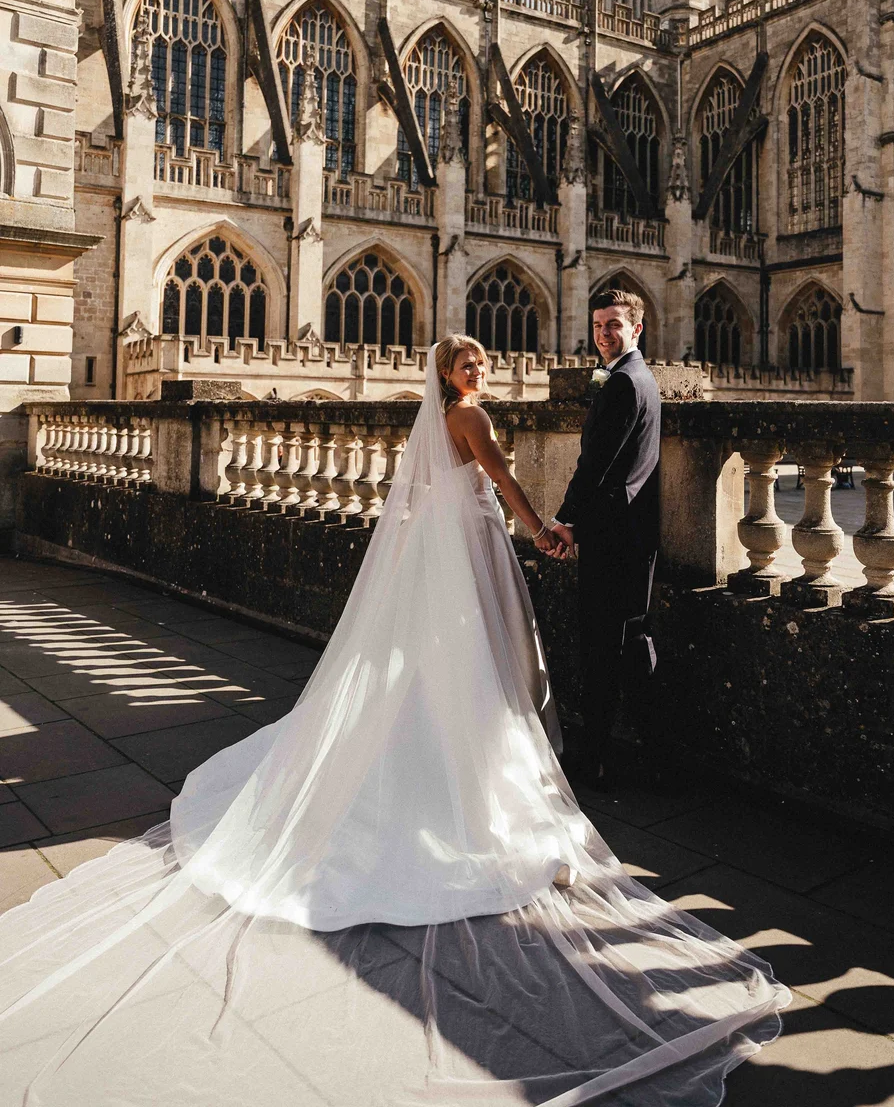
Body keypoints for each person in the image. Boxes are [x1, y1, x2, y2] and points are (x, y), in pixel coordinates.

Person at [0, 337, 788, 1106]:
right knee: (481, 663)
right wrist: (542, 530)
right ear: (446, 374)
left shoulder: (443, 419)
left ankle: (433, 761)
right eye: (466, 362)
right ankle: (465, 784)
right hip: (475, 543)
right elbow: (502, 484)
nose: (478, 368)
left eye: (481, 359)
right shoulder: (471, 420)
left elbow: (415, 499)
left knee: (443, 667)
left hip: (449, 546)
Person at [550, 289, 660, 790]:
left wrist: (565, 519)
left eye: (614, 325)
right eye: (598, 325)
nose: (603, 334)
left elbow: (597, 466)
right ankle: (645, 751)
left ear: (637, 329)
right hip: (631, 534)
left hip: (612, 535)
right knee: (627, 640)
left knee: (601, 647)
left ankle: (593, 757)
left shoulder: (622, 384)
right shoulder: (638, 378)